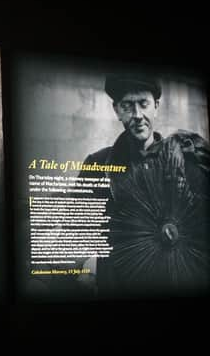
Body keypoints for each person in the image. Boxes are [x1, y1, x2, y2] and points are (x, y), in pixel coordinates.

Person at [79, 73, 209, 296]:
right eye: (128, 106)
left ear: (156, 106)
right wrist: (85, 263)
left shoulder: (183, 159)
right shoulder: (97, 165)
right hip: (119, 287)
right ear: (117, 110)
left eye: (143, 104)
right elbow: (78, 230)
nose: (138, 115)